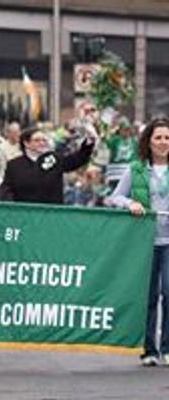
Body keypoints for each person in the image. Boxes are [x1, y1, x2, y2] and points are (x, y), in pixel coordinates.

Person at [105, 117, 169, 367]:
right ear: (149, 141)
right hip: (144, 243)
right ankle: (149, 349)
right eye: (158, 138)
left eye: (167, 137)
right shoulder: (136, 168)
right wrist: (130, 203)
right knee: (149, 296)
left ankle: (167, 347)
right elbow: (114, 197)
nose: (163, 142)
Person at [1, 127, 95, 204]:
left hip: (52, 215)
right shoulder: (14, 165)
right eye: (37, 140)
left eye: (44, 140)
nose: (42, 143)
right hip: (25, 215)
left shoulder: (54, 159)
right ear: (26, 143)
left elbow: (77, 159)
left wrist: (89, 141)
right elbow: (6, 190)